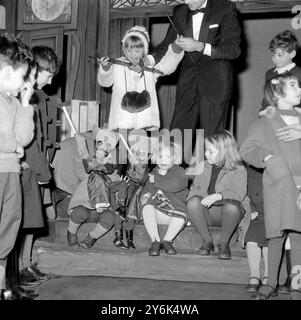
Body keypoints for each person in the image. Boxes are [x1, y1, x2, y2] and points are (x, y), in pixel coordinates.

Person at [145, 0, 241, 160]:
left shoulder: (225, 8)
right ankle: (171, 177)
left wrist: (201, 46)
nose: (186, 1)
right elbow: (166, 44)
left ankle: (210, 181)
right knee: (178, 129)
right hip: (188, 77)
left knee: (212, 137)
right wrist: (147, 60)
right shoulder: (180, 12)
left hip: (215, 80)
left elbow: (233, 49)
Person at [240, 72, 301, 300]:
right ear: (277, 93)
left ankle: (297, 285)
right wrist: (268, 159)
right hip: (277, 189)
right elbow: (247, 150)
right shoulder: (264, 121)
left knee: (298, 236)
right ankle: (271, 283)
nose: (300, 89)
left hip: (300, 188)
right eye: (294, 85)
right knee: (275, 236)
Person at [18, 46, 59, 288]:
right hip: (26, 168)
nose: (52, 80)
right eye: (49, 74)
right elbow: (29, 140)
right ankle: (20, 269)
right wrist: (42, 169)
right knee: (22, 220)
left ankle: (27, 263)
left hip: (36, 168)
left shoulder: (38, 97)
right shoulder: (23, 97)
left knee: (33, 218)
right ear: (36, 69)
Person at [0, 33, 34, 299]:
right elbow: (12, 142)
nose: (25, 82)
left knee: (9, 229)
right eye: (22, 76)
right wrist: (13, 145)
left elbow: (24, 138)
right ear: (7, 70)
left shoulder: (13, 102)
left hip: (11, 171)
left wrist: (24, 105)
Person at [97, 25, 184, 130]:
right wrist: (105, 68)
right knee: (123, 146)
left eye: (137, 51)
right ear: (124, 49)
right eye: (129, 50)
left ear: (145, 50)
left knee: (141, 145)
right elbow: (105, 82)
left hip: (144, 123)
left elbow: (167, 66)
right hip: (121, 122)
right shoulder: (117, 66)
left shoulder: (150, 67)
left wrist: (176, 49)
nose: (132, 55)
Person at [186, 131, 247, 260]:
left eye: (210, 151)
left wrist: (218, 195)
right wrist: (202, 196)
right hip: (208, 213)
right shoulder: (203, 166)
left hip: (228, 215)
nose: (206, 154)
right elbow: (194, 189)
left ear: (224, 151)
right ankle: (207, 241)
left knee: (231, 206)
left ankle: (223, 244)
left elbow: (239, 193)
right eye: (206, 150)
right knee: (192, 202)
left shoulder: (238, 169)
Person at [66, 128, 120, 249]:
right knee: (79, 212)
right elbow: (80, 173)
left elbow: (115, 185)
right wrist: (80, 160)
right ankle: (71, 233)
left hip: (103, 209)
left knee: (109, 218)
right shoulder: (90, 164)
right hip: (86, 205)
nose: (102, 151)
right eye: (100, 146)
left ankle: (92, 237)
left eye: (107, 150)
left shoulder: (111, 171)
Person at [140, 138, 189, 256]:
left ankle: (167, 241)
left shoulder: (180, 172)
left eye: (168, 157)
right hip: (158, 212)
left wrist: (156, 180)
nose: (163, 160)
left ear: (175, 158)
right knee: (147, 208)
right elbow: (147, 190)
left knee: (180, 218)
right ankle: (155, 241)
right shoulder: (153, 173)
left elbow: (174, 185)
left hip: (175, 210)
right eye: (160, 156)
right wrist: (144, 197)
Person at [240, 166, 268, 293]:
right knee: (251, 238)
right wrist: (249, 210)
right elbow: (242, 194)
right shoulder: (246, 171)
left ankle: (269, 276)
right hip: (254, 212)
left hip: (271, 211)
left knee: (270, 239)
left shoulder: (272, 168)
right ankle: (255, 276)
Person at [260, 30, 301, 115]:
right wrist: (263, 111)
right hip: (274, 116)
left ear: (292, 54)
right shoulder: (270, 73)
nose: (275, 58)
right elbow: (267, 97)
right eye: (273, 55)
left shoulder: (298, 73)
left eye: (279, 55)